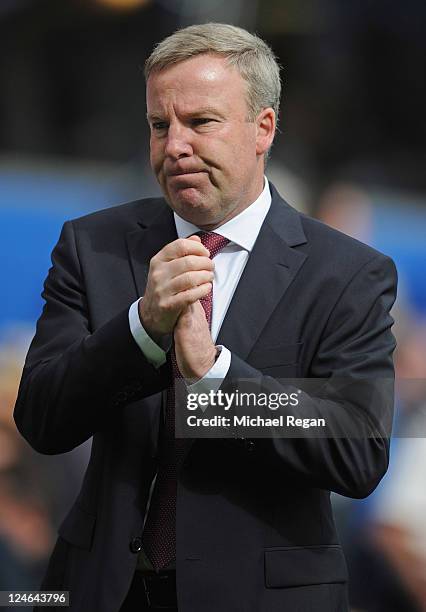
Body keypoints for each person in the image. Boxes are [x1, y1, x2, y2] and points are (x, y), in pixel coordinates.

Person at [14, 23, 397, 612]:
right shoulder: (93, 246)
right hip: (101, 590)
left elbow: (357, 452)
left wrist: (217, 378)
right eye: (159, 125)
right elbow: (41, 418)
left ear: (263, 128)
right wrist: (141, 329)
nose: (174, 147)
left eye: (201, 123)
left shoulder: (346, 273)